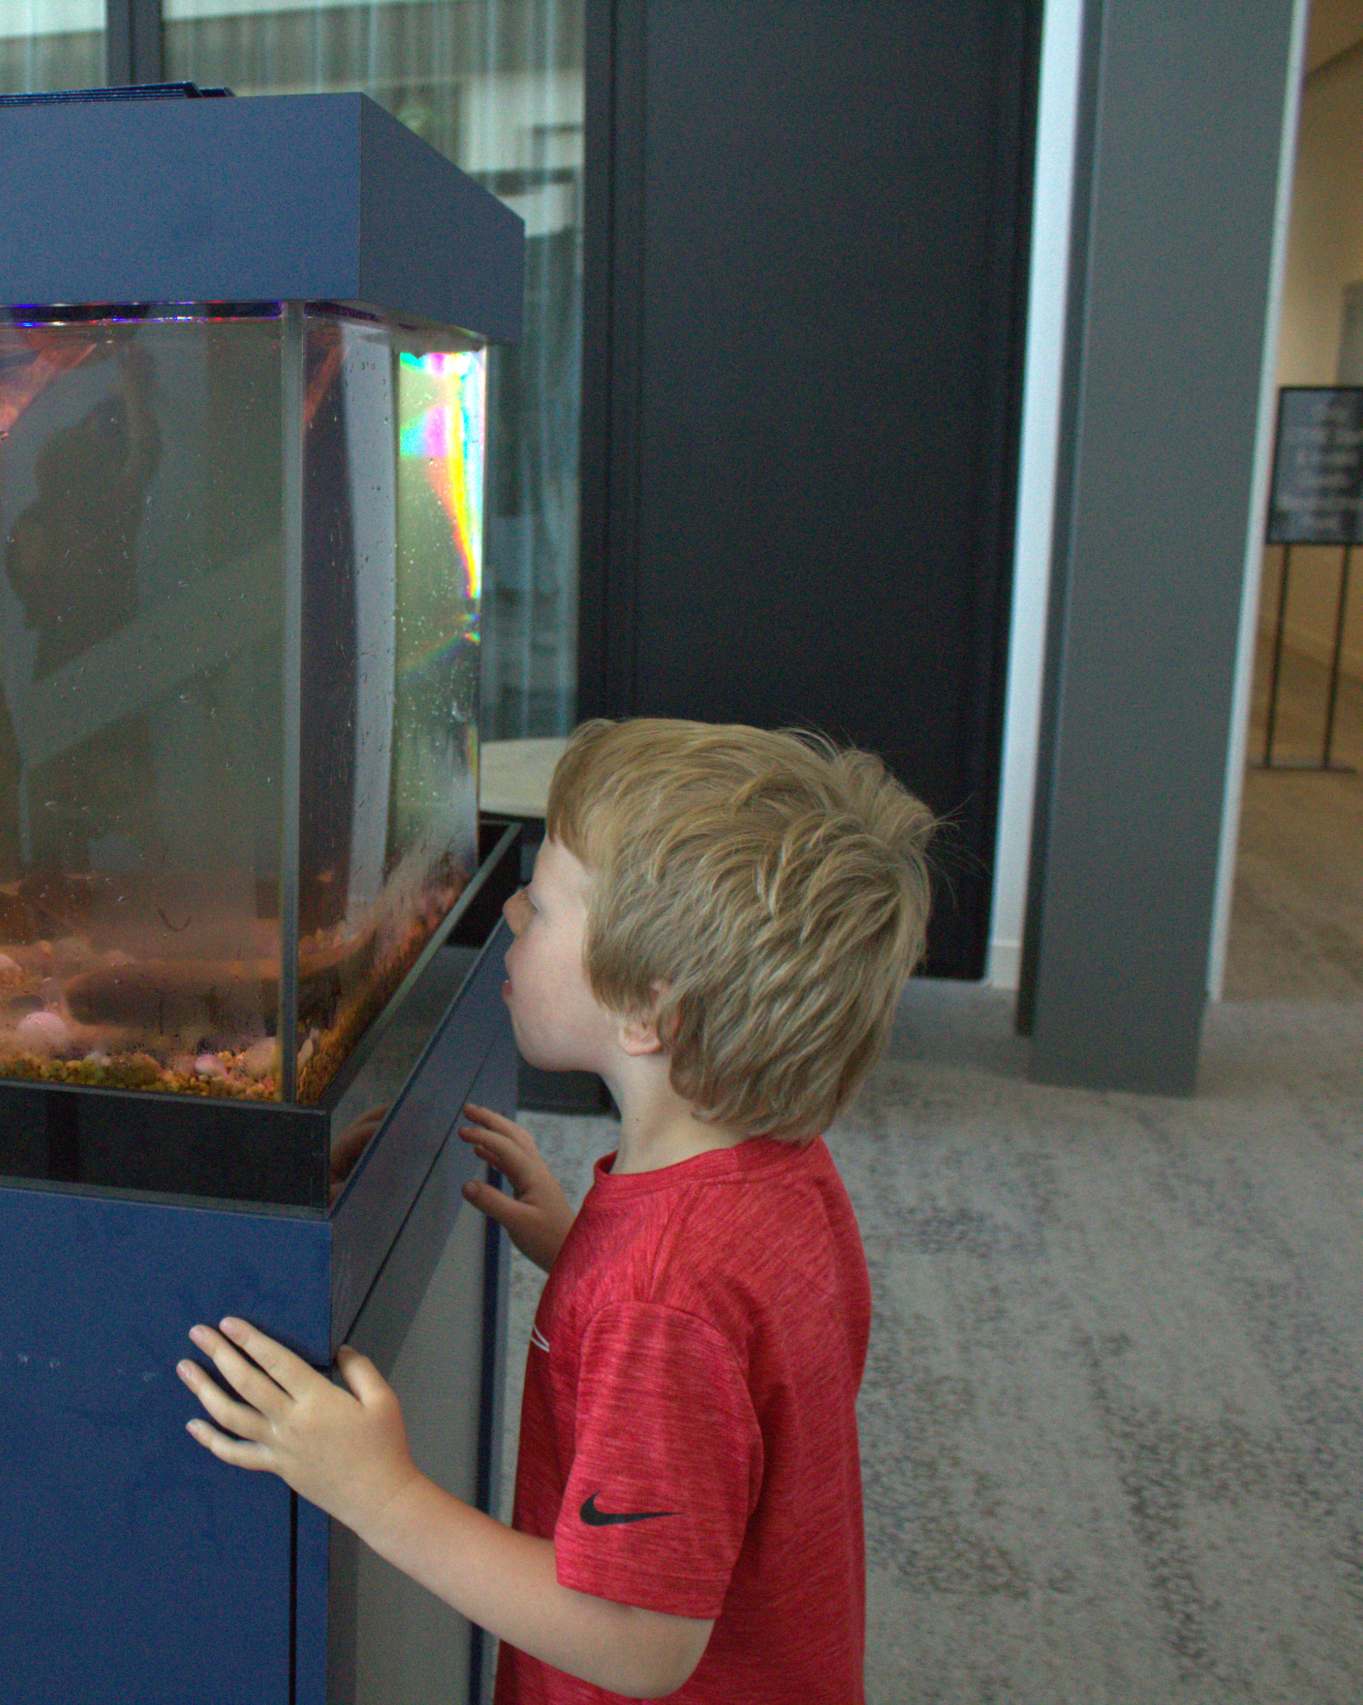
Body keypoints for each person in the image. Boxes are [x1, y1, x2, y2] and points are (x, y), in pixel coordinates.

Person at [178, 717, 936, 1703]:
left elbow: (638, 1640)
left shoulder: (660, 1298)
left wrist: (378, 1490)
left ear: (646, 1009)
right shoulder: (783, 1171)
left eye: (539, 905)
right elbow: (747, 1365)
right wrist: (582, 1249)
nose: (507, 918)